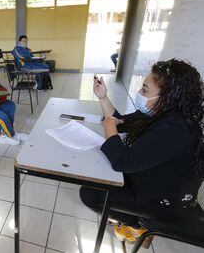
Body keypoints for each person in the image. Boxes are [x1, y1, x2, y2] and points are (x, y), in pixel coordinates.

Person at [80, 59, 204, 242]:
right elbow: (121, 123)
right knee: (101, 177)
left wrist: (108, 127)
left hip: (164, 201)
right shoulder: (161, 112)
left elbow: (122, 161)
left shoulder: (175, 129)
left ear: (168, 96)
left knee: (90, 194)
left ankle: (138, 224)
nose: (139, 94)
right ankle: (134, 219)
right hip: (153, 179)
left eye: (145, 90)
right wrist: (103, 97)